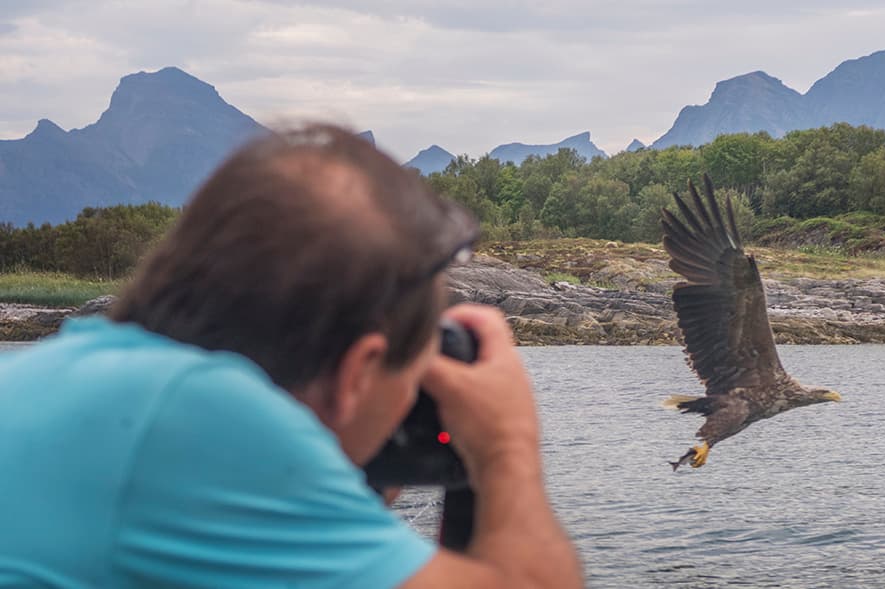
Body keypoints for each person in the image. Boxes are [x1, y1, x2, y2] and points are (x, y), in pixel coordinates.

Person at [0, 123, 583, 589]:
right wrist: (504, 449)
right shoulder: (201, 421)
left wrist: (342, 489)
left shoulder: (61, 380)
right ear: (359, 370)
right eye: (409, 382)